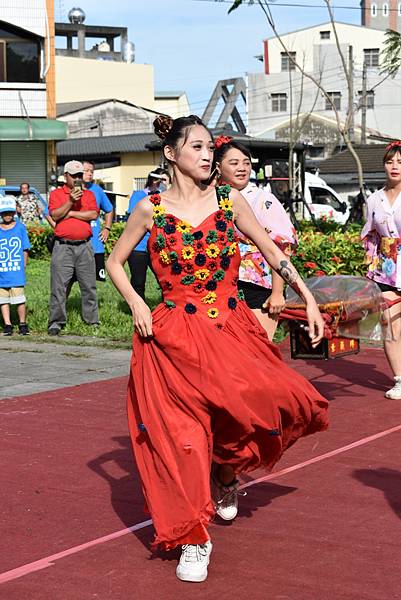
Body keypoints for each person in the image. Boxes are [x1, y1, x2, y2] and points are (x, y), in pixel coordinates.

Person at [106, 115, 329, 583]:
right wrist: (136, 304)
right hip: (169, 338)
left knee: (265, 407)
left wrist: (305, 296)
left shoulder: (230, 201)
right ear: (171, 154)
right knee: (183, 438)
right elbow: (115, 262)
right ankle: (193, 538)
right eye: (199, 147)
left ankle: (226, 477)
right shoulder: (150, 208)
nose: (208, 155)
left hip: (230, 329)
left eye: (211, 147)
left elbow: (271, 250)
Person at [214, 136, 298, 340]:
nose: (242, 168)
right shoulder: (210, 198)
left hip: (258, 286)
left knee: (257, 353)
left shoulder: (263, 200)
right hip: (220, 286)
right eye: (234, 163)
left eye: (246, 163)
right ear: (218, 166)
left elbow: (280, 246)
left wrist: (277, 292)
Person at [361, 140, 401, 399]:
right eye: (390, 161)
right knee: (389, 322)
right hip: (386, 267)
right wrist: (369, 268)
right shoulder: (374, 198)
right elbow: (370, 235)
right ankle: (400, 379)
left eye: (399, 161)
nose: (395, 166)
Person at [47, 160, 99, 336]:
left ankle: (92, 320)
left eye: (80, 175)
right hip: (63, 247)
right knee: (59, 287)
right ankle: (56, 322)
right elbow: (55, 214)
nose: (78, 178)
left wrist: (69, 213)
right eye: (74, 175)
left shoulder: (89, 195)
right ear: (66, 176)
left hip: (85, 246)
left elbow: (93, 214)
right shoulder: (56, 194)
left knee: (89, 286)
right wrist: (70, 201)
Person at [126, 168, 171, 300]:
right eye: (159, 179)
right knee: (138, 282)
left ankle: (168, 306)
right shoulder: (139, 195)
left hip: (159, 247)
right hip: (139, 246)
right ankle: (138, 309)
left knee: (166, 280)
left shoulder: (170, 198)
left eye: (165, 181)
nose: (161, 183)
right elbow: (133, 218)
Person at [0, 195, 30, 335]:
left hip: (16, 271)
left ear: (14, 213)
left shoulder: (20, 228)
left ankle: (22, 323)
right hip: (2, 272)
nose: (7, 216)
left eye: (9, 213)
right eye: (4, 213)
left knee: (19, 299)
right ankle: (7, 324)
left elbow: (25, 248)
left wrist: (24, 264)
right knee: (3, 300)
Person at [82, 160, 114, 282]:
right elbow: (49, 213)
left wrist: (107, 228)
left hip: (95, 244)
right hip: (77, 245)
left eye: (91, 171)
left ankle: (91, 302)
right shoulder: (71, 189)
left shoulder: (97, 190)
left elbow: (109, 210)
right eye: (86, 171)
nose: (89, 174)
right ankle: (62, 301)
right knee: (69, 280)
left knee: (93, 281)